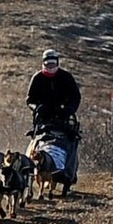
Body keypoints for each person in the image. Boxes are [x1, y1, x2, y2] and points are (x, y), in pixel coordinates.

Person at [26, 48, 81, 194]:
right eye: (47, 64)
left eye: (53, 64)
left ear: (57, 63)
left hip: (64, 116)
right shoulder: (37, 78)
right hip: (44, 117)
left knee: (70, 141)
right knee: (36, 140)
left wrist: (69, 109)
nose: (50, 67)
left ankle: (68, 173)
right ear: (43, 64)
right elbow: (29, 99)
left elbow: (76, 97)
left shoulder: (66, 77)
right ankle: (31, 168)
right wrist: (37, 108)